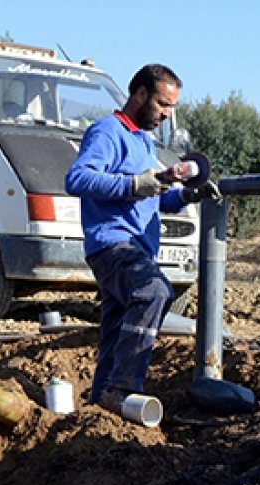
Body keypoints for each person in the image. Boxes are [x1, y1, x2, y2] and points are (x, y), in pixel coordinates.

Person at [65, 64, 200, 413]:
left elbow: (154, 198)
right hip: (113, 244)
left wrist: (184, 194)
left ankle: (100, 407)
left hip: (134, 247)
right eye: (162, 104)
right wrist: (132, 184)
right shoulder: (108, 132)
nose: (167, 115)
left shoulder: (142, 141)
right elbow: (77, 179)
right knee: (154, 291)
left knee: (114, 332)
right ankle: (123, 389)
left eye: (171, 107)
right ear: (140, 94)